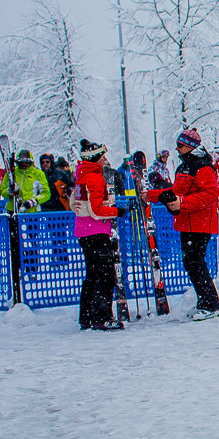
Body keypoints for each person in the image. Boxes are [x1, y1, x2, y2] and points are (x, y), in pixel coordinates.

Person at [146, 127, 219, 320]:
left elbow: (211, 194)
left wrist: (183, 203)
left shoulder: (203, 166)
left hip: (200, 222)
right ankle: (205, 301)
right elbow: (176, 191)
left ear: (190, 146)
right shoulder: (183, 167)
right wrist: (153, 195)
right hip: (186, 222)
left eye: (180, 145)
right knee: (191, 263)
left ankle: (210, 304)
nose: (177, 149)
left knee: (195, 262)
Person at [71, 139, 126, 331]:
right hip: (97, 231)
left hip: (84, 231)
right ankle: (102, 317)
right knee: (105, 276)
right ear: (95, 158)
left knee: (93, 275)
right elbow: (96, 210)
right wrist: (115, 211)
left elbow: (73, 204)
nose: (106, 160)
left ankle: (86, 317)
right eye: (103, 156)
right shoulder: (95, 178)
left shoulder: (81, 176)